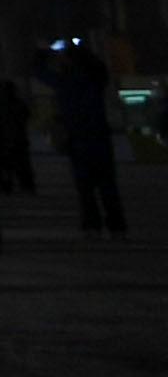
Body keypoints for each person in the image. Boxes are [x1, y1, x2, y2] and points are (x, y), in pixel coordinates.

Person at [37, 39, 126, 237]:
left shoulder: (67, 81)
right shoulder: (96, 78)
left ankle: (92, 224)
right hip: (99, 135)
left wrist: (41, 56)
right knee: (107, 185)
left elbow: (43, 74)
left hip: (78, 136)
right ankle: (117, 224)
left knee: (85, 187)